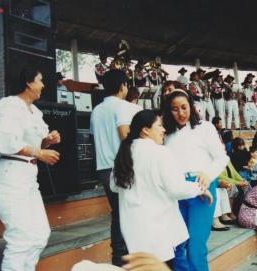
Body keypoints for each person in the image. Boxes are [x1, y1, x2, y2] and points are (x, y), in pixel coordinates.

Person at [111, 110, 212, 269]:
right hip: (160, 233)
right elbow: (176, 188)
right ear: (145, 130)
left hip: (134, 232)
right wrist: (200, 188)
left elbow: (114, 186)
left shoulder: (124, 153)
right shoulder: (160, 153)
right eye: (159, 125)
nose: (164, 129)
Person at [0, 67, 61, 271]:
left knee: (39, 235)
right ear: (29, 83)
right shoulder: (10, 106)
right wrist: (38, 153)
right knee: (21, 239)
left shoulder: (34, 111)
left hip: (28, 178)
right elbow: (3, 141)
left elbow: (32, 145)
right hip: (10, 177)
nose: (43, 85)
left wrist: (47, 141)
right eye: (40, 80)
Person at [163, 90, 229, 271]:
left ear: (191, 107)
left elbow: (222, 158)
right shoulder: (166, 133)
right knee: (176, 245)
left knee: (195, 247)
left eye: (184, 107)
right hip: (176, 190)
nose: (181, 113)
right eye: (174, 109)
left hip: (201, 188)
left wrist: (208, 174)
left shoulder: (205, 127)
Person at [90, 69, 138, 266]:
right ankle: (126, 260)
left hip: (103, 169)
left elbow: (94, 141)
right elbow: (126, 138)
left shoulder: (96, 110)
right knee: (129, 215)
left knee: (118, 214)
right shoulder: (124, 107)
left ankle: (119, 259)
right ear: (122, 86)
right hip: (123, 168)